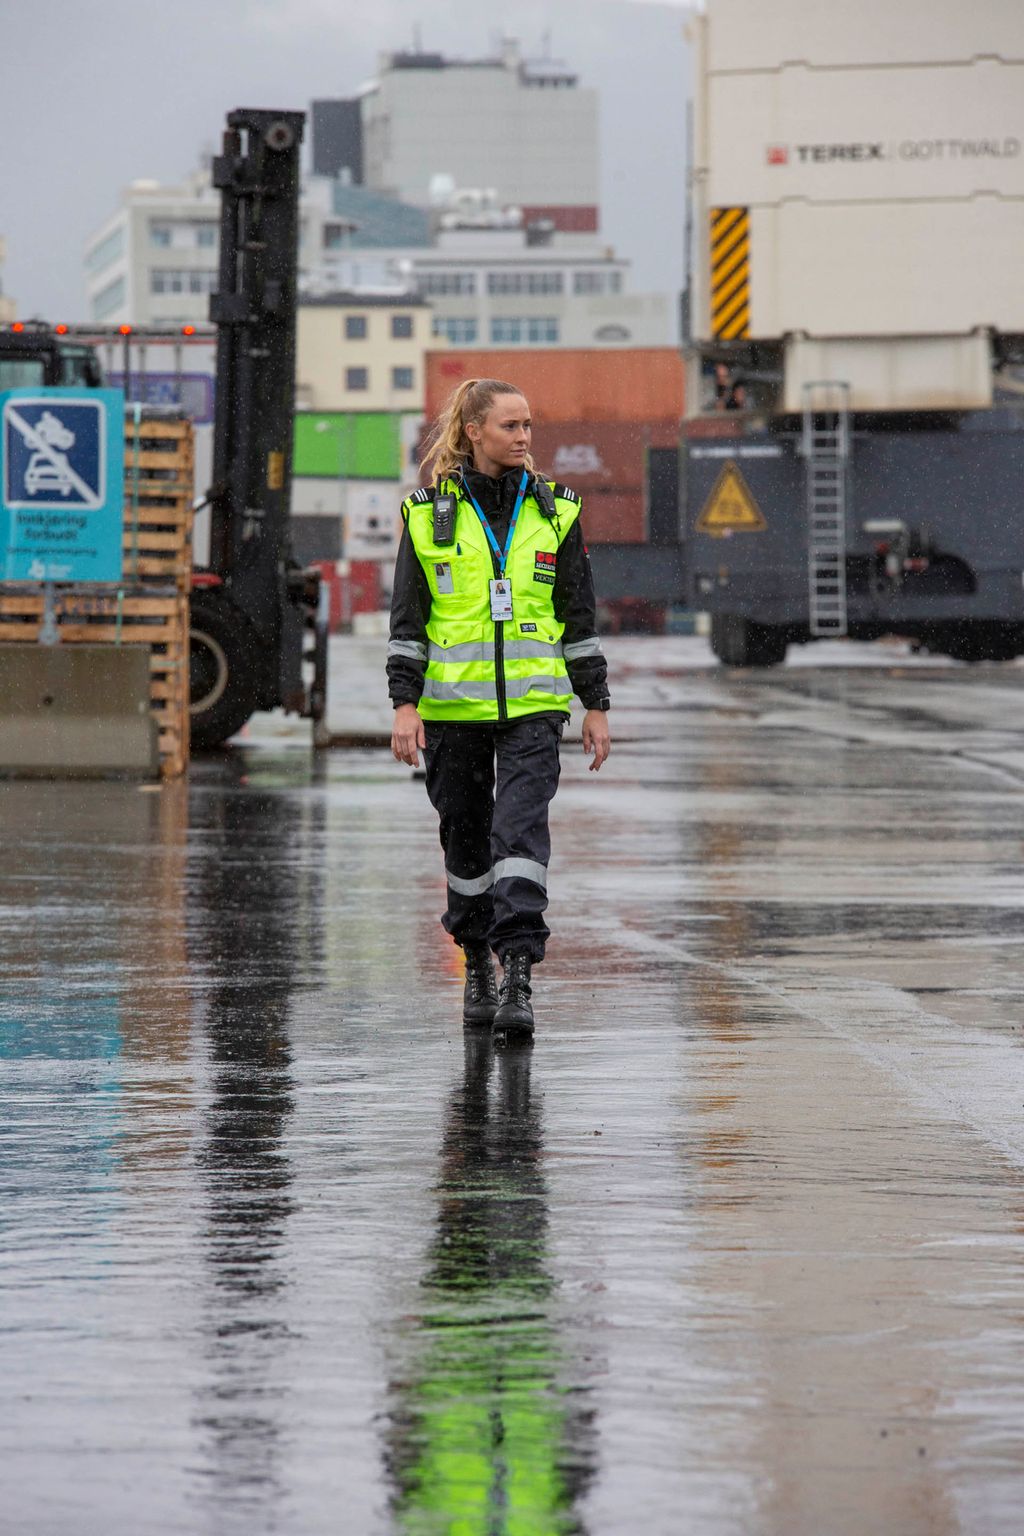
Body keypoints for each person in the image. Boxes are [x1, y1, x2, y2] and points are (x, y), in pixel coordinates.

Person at [387, 378, 611, 1035]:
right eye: (510, 426)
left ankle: (517, 974)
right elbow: (409, 621)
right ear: (474, 431)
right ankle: (476, 965)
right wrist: (405, 705)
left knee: (519, 835)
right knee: (465, 835)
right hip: (452, 712)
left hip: (534, 709)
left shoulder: (557, 512)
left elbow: (579, 616)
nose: (523, 437)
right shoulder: (427, 516)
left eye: (528, 426)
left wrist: (595, 703)